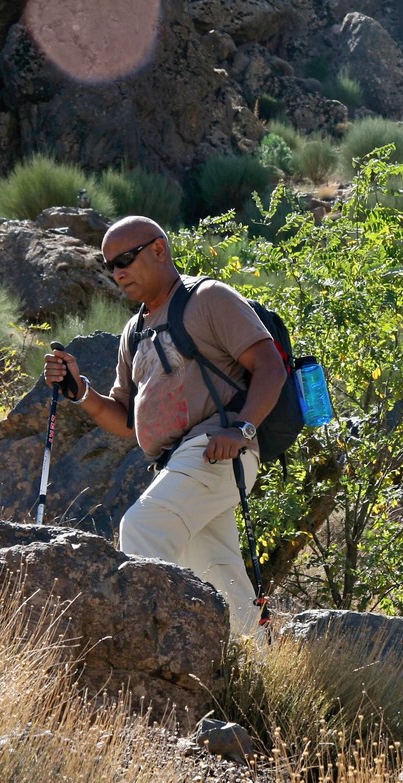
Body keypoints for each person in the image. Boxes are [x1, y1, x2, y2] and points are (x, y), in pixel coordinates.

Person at [45, 215, 287, 632]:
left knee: (142, 527)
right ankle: (258, 663)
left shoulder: (208, 298)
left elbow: (270, 367)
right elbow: (124, 419)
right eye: (110, 266)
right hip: (179, 463)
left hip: (216, 448)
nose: (118, 272)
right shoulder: (133, 331)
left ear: (159, 250)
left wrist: (242, 429)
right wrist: (80, 391)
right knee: (220, 573)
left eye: (125, 259)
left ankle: (147, 642)